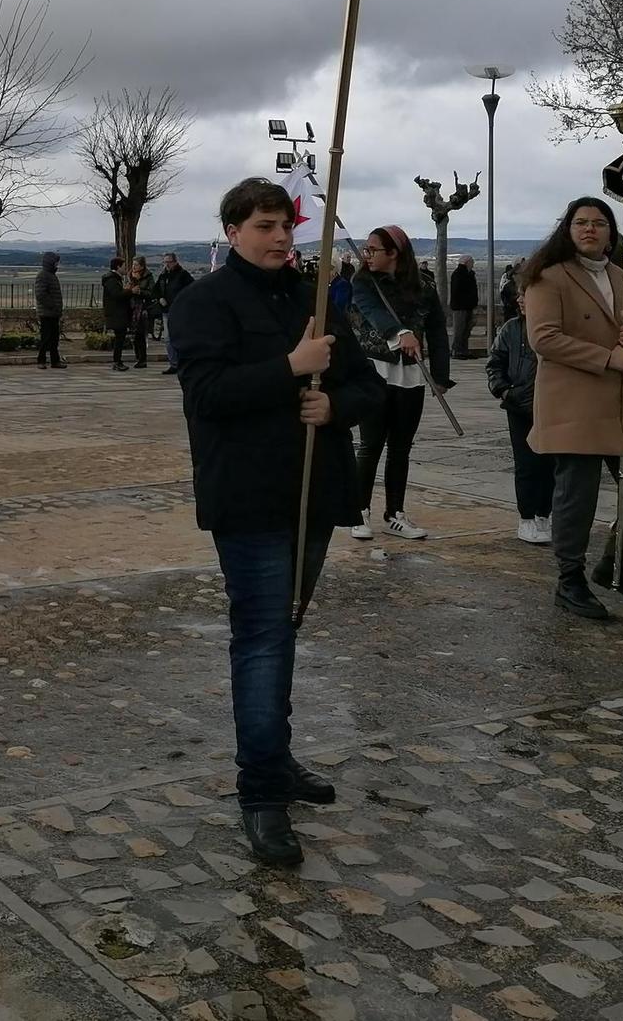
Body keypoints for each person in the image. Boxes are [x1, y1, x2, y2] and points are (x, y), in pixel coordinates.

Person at [170, 177, 384, 868]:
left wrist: (336, 408)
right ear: (233, 231)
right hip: (251, 496)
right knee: (262, 639)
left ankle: (277, 756)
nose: (280, 237)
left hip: (314, 493)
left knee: (283, 631)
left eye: (286, 226)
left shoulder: (312, 299)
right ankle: (260, 791)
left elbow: (365, 385)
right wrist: (290, 367)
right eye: (265, 226)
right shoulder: (201, 303)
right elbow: (207, 395)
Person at [521, 197, 623, 621]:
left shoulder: (621, 275)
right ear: (567, 229)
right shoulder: (548, 277)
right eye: (582, 223)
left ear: (610, 231)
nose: (590, 229)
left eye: (599, 223)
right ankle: (570, 579)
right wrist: (606, 357)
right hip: (575, 398)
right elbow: (544, 338)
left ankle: (617, 564)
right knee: (577, 495)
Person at [347, 225, 449, 541]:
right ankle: (358, 511)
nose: (367, 255)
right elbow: (373, 312)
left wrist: (441, 376)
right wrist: (398, 332)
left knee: (401, 447)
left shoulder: (425, 285)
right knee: (371, 444)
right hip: (374, 370)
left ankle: (395, 513)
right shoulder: (363, 282)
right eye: (366, 249)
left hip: (411, 374)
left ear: (394, 253)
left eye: (373, 250)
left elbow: (437, 330)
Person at [485, 305, 552, 545]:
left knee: (550, 464)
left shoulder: (553, 326)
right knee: (526, 463)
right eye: (520, 295)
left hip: (552, 404)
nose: (522, 300)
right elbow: (495, 363)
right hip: (519, 406)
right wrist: (503, 391)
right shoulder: (511, 328)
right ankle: (526, 518)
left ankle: (544, 514)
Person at [156, 251, 195, 374]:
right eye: (165, 262)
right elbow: (156, 289)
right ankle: (174, 364)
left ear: (175, 262)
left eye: (169, 262)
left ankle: (184, 362)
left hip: (179, 311)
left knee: (180, 337)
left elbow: (192, 289)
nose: (167, 265)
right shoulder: (163, 276)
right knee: (168, 339)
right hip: (166, 311)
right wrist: (160, 298)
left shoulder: (183, 275)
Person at [33, 251, 65, 369]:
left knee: (54, 339)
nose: (58, 264)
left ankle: (55, 360)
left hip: (53, 313)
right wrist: (53, 305)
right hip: (47, 313)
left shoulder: (51, 275)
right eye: (56, 262)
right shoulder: (43, 275)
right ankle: (41, 360)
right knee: (46, 338)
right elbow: (41, 294)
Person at [102, 257, 134, 371]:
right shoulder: (112, 279)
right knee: (119, 339)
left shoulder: (115, 279)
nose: (126, 269)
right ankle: (117, 361)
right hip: (117, 314)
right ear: (118, 267)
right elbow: (117, 295)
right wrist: (130, 291)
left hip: (118, 313)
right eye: (124, 266)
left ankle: (118, 361)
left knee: (120, 338)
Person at [125, 256, 156, 369]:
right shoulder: (129, 276)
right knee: (134, 334)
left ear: (142, 266)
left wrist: (140, 292)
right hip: (132, 307)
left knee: (140, 334)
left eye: (136, 265)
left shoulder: (148, 277)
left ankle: (142, 359)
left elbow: (151, 292)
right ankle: (138, 356)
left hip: (143, 308)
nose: (133, 267)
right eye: (133, 264)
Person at [449, 254, 479, 358]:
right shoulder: (459, 274)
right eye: (472, 263)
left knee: (466, 330)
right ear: (466, 263)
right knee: (460, 330)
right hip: (460, 307)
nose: (473, 265)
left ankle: (463, 350)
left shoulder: (468, 274)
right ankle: (457, 350)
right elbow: (457, 291)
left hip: (468, 306)